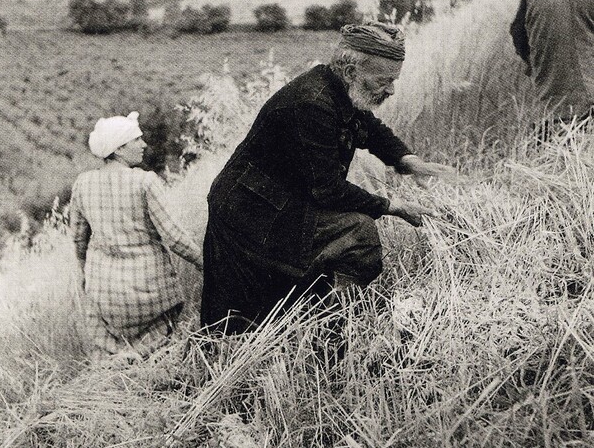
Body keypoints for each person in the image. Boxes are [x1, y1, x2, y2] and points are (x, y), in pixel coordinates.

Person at [201, 23, 457, 334]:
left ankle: (321, 322)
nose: (391, 90)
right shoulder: (311, 104)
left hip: (274, 200)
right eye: (384, 81)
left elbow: (370, 130)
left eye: (393, 81)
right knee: (358, 234)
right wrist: (393, 205)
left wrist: (410, 162)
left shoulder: (338, 90)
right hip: (250, 210)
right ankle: (331, 323)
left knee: (272, 301)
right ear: (351, 73)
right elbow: (328, 190)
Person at [70, 112, 202, 362]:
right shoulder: (145, 182)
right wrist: (205, 263)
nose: (143, 145)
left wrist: (85, 276)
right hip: (149, 294)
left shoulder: (83, 184)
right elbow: (173, 237)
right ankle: (143, 356)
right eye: (136, 140)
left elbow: (78, 240)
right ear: (119, 148)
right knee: (162, 334)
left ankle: (118, 358)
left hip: (104, 296)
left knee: (104, 332)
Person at [510, 0, 594, 134]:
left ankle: (567, 132)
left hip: (556, 91)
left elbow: (518, 32)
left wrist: (533, 65)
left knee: (561, 109)